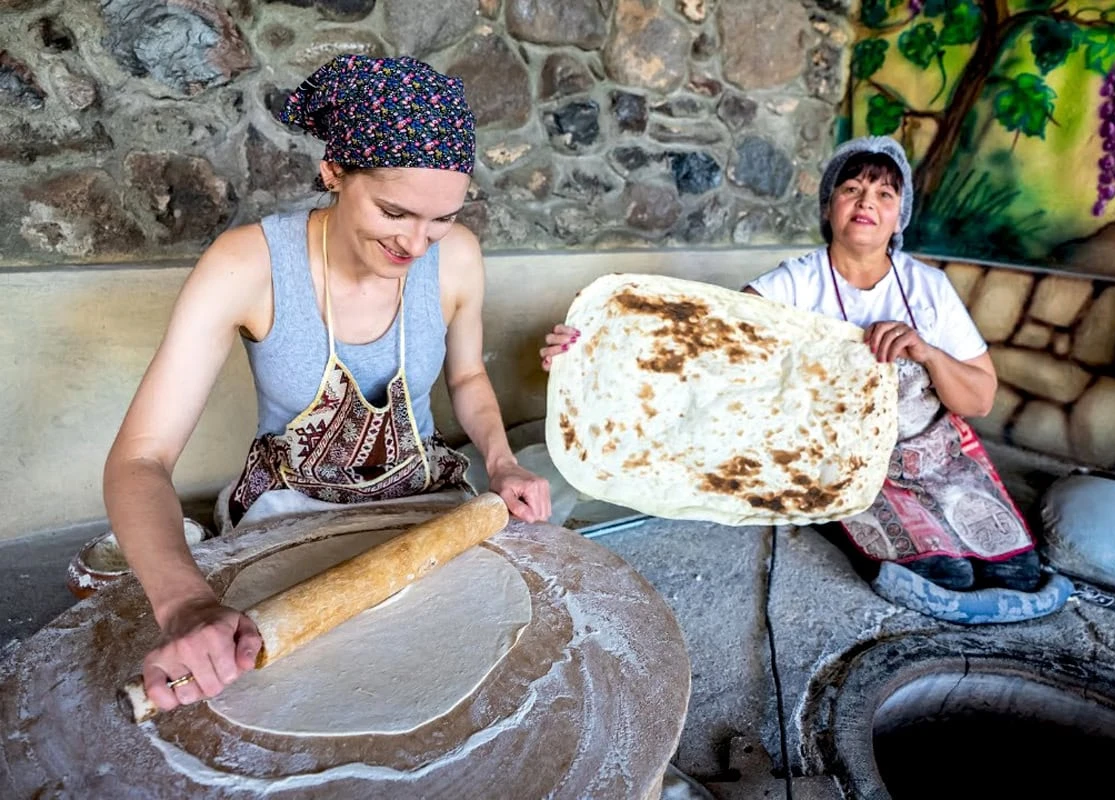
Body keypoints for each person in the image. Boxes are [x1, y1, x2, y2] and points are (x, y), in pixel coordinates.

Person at [104, 54, 551, 713]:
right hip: (293, 503)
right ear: (334, 172)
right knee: (283, 691)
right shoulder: (249, 265)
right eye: (395, 212)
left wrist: (503, 462)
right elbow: (140, 458)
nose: (417, 245)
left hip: (423, 497)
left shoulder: (456, 259)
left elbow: (466, 375)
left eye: (443, 218)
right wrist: (185, 602)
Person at [541, 135, 1042, 594]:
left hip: (937, 456)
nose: (867, 201)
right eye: (851, 188)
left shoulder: (928, 289)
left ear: (899, 217)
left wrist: (928, 353)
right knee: (942, 573)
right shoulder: (795, 284)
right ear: (829, 207)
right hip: (845, 462)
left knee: (1015, 571)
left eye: (885, 194)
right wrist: (590, 350)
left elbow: (978, 398)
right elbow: (703, 349)